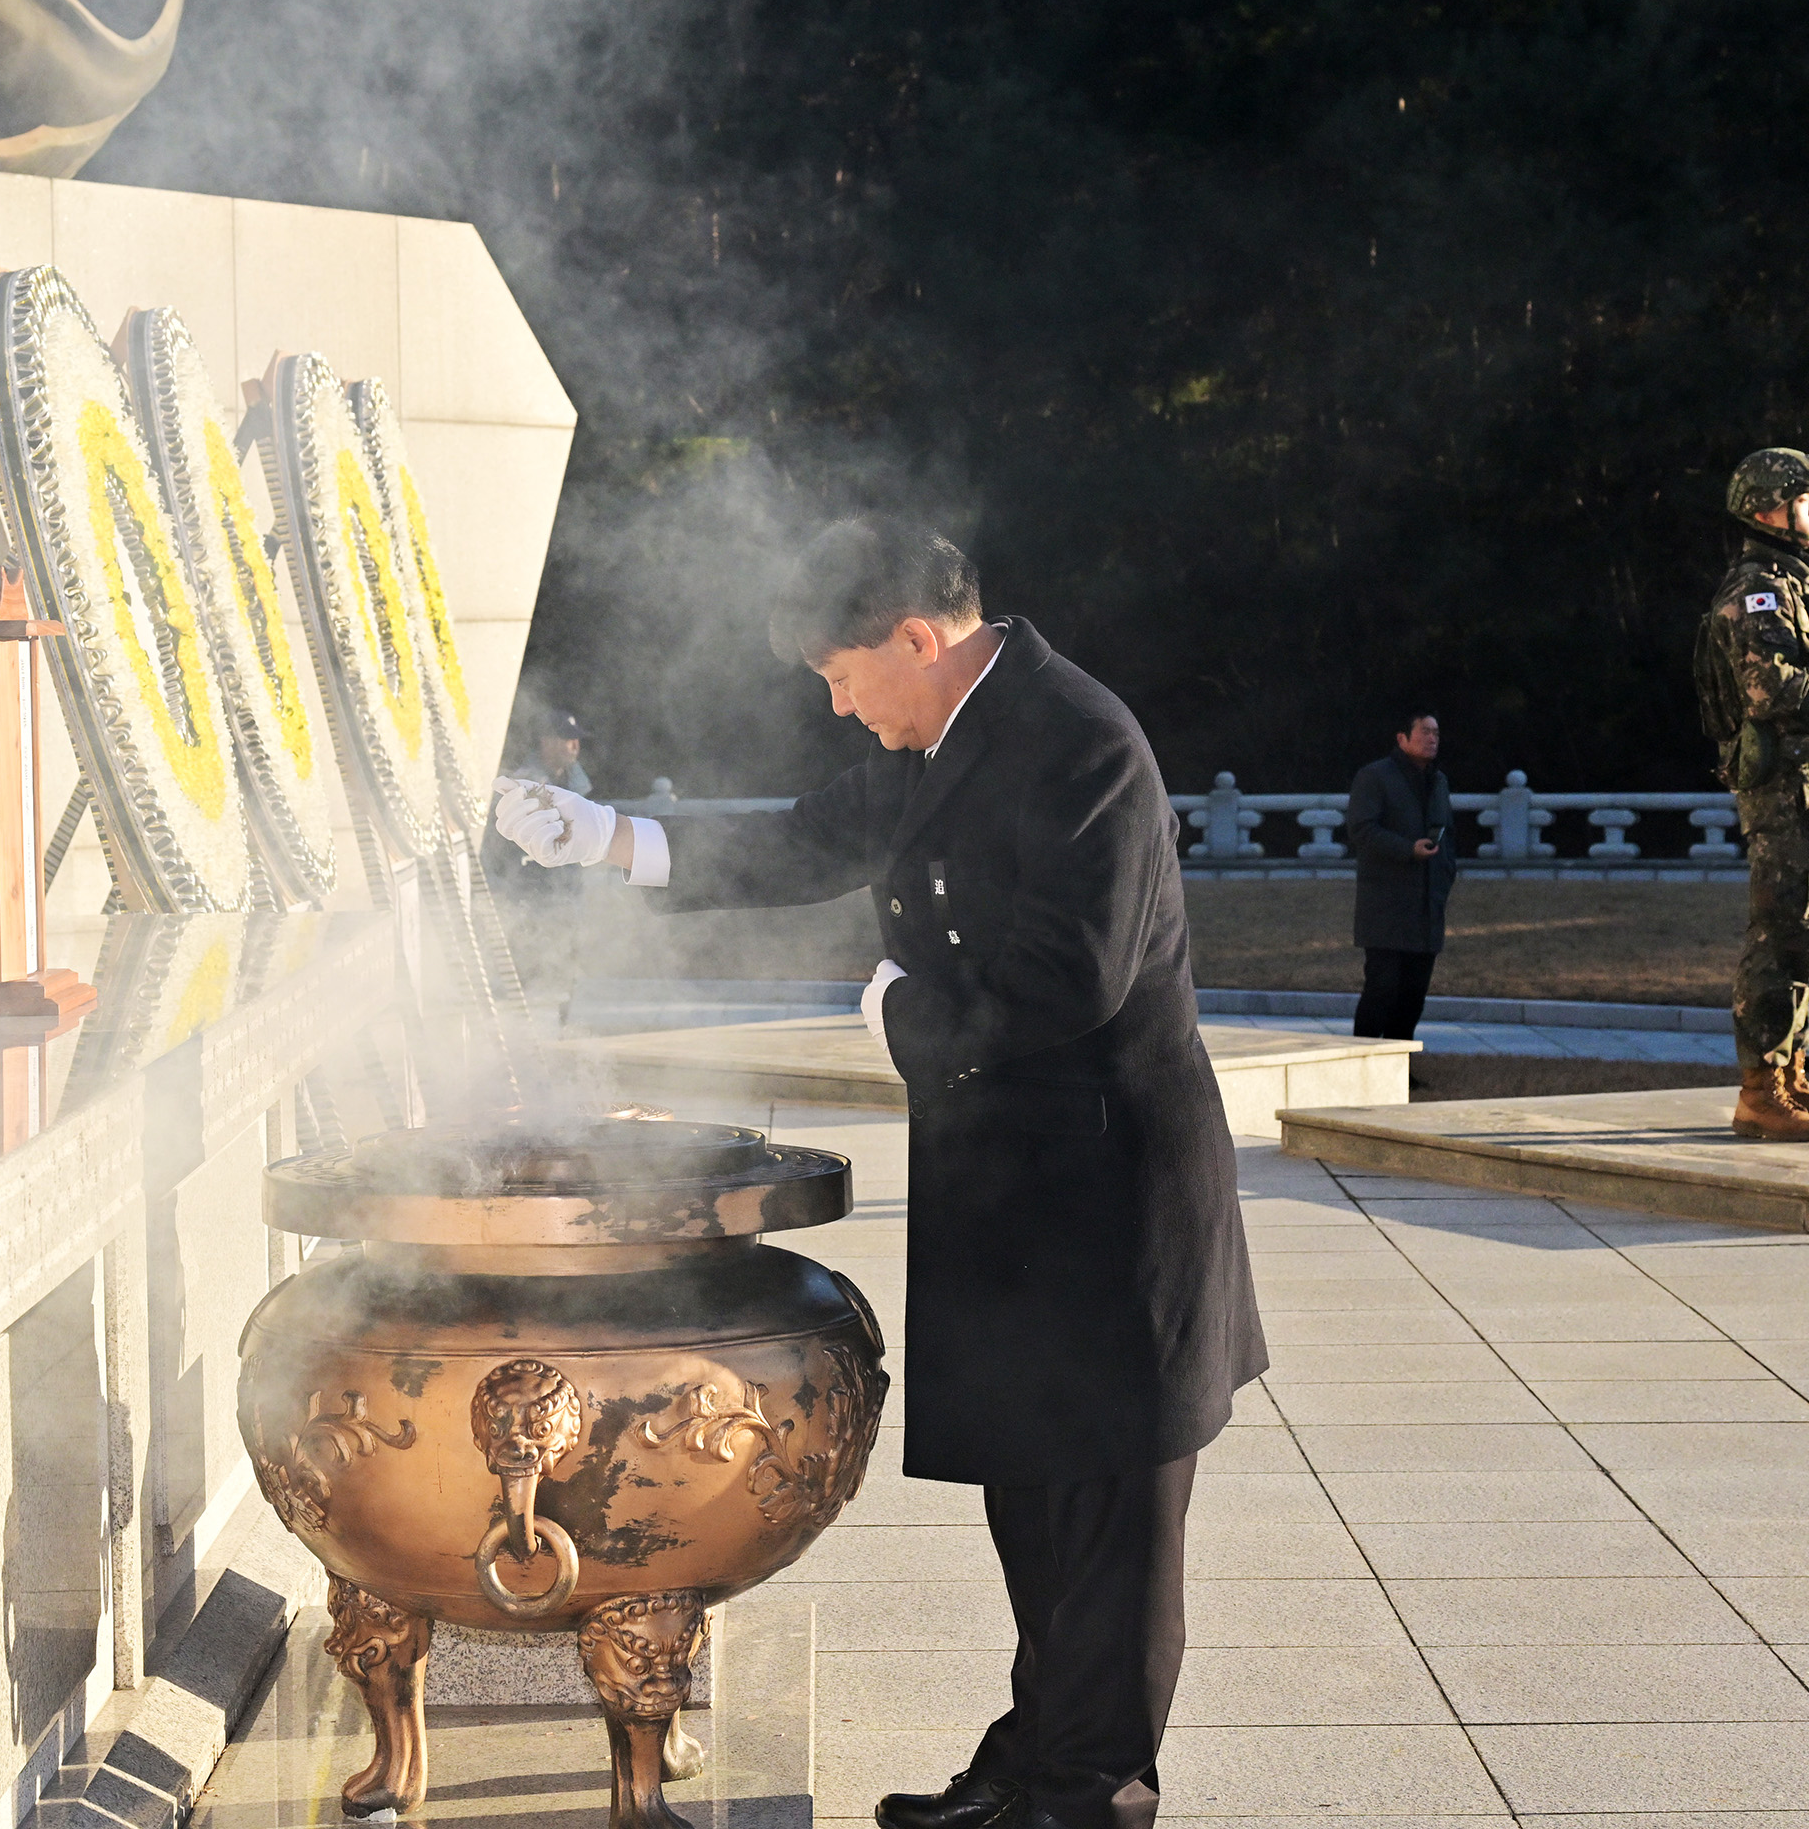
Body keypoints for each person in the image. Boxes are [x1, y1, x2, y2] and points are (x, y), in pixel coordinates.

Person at [493, 518, 1264, 1829]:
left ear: (919, 639)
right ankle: (1031, 1765)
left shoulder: (1082, 742)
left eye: (843, 677)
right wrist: (607, 839)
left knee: (1113, 1533)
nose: (841, 706)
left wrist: (898, 1011)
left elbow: (1074, 981)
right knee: (1037, 1505)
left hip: (1112, 1199)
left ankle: (1090, 1799)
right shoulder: (938, 733)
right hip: (1017, 1189)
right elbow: (802, 842)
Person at [1691, 446, 1809, 1142]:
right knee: (1782, 933)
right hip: (1783, 788)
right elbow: (1768, 690)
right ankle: (1758, 1092)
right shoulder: (1755, 590)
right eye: (1805, 500)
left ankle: (1790, 1074)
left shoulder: (1803, 585)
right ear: (1767, 509)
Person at [1344, 711, 1455, 1041]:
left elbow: (1448, 835)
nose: (1432, 738)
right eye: (1424, 732)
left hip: (1427, 905)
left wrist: (1446, 873)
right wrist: (1408, 849)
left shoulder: (1439, 781)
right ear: (1402, 738)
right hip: (1386, 906)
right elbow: (1361, 830)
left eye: (1436, 732)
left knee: (1414, 994)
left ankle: (1400, 1066)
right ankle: (1361, 1061)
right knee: (1382, 989)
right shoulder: (1375, 777)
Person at [487, 708, 601, 994]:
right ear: (546, 742)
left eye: (577, 740)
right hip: (531, 892)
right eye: (567, 739)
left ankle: (563, 1031)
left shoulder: (575, 781)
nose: (575, 746)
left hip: (565, 891)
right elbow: (504, 844)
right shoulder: (526, 783)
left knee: (565, 969)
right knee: (529, 969)